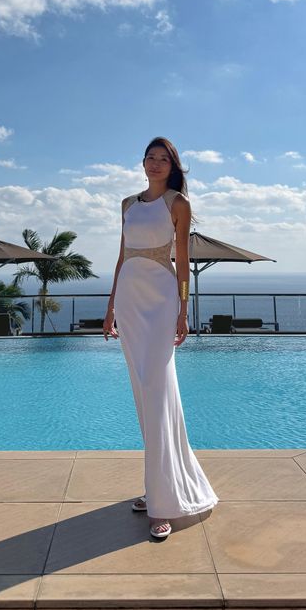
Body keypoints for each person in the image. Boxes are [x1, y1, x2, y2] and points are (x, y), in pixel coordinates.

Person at [103, 137, 218, 539]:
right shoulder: (128, 205)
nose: (155, 164)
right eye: (150, 158)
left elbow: (182, 260)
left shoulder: (177, 204)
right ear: (142, 163)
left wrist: (183, 309)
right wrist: (110, 306)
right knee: (144, 395)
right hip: (130, 302)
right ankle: (156, 489)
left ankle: (164, 503)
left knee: (157, 390)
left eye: (163, 159)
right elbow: (121, 257)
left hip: (162, 299)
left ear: (173, 166)